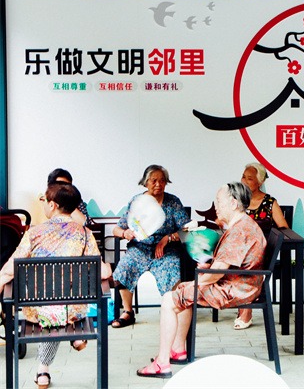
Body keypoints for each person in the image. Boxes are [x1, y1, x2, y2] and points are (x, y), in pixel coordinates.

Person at [136, 182, 266, 379]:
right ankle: (178, 350)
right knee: (182, 289)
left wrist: (200, 279)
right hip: (243, 285)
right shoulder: (244, 224)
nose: (216, 206)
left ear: (233, 203)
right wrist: (208, 269)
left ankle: (162, 363)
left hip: (234, 290)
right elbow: (225, 266)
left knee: (169, 299)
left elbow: (218, 273)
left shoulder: (239, 230)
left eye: (219, 202)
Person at [0, 183, 112, 389]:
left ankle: (43, 370)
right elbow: (103, 273)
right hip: (74, 309)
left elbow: (8, 270)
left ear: (52, 205)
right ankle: (65, 347)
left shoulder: (34, 233)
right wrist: (107, 268)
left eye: (44, 200)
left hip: (37, 310)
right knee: (60, 306)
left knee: (51, 307)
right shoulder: (85, 234)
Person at [111, 165, 190, 328]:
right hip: (140, 248)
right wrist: (125, 233)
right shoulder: (137, 201)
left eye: (162, 180)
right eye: (154, 180)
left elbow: (187, 229)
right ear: (145, 182)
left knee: (172, 269)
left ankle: (172, 310)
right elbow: (116, 229)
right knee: (124, 267)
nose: (158, 184)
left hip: (166, 250)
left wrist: (168, 238)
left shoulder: (173, 202)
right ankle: (128, 312)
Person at [235, 162, 288, 330]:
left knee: (249, 262)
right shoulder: (236, 201)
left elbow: (284, 228)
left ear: (260, 182)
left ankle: (245, 311)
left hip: (261, 250)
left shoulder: (269, 202)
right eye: (243, 176)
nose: (244, 180)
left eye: (249, 178)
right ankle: (244, 307)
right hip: (239, 249)